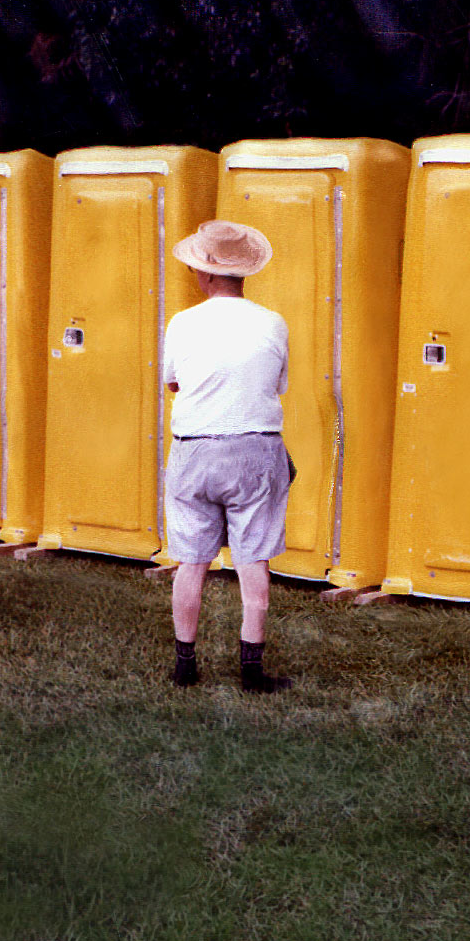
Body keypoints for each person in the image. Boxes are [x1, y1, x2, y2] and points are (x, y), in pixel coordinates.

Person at [162, 219, 293, 694]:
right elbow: (275, 385)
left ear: (205, 274)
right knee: (253, 559)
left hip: (194, 449)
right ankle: (252, 670)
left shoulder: (183, 322)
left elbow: (174, 383)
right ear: (244, 273)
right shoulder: (272, 322)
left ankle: (184, 665)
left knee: (191, 561)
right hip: (255, 449)